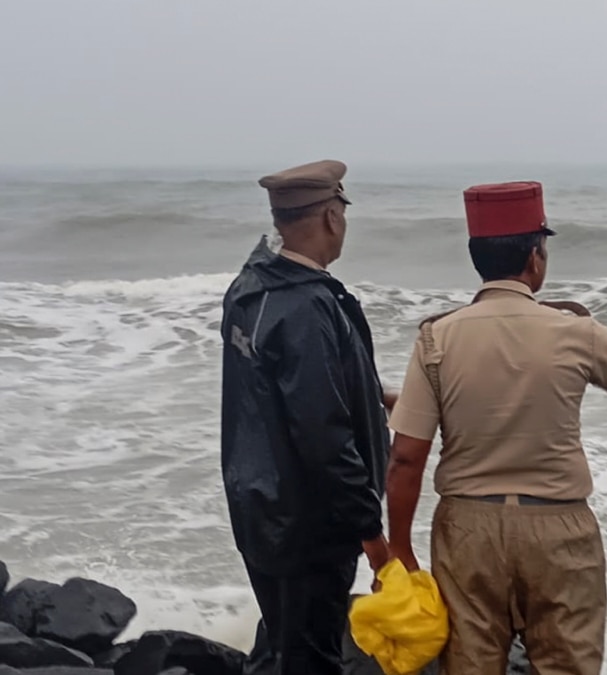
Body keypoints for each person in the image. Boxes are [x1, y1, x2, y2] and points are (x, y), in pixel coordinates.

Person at [383, 180, 607, 674]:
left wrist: (397, 548)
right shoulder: (575, 332)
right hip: (558, 529)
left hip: (467, 531)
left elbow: (406, 455)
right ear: (535, 259)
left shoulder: (436, 337)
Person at [219, 159, 393, 675]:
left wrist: (374, 395)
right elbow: (323, 434)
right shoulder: (307, 305)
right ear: (331, 217)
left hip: (258, 503)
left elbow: (281, 387)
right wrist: (372, 533)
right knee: (314, 655)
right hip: (308, 520)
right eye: (342, 210)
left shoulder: (251, 289)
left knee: (285, 640)